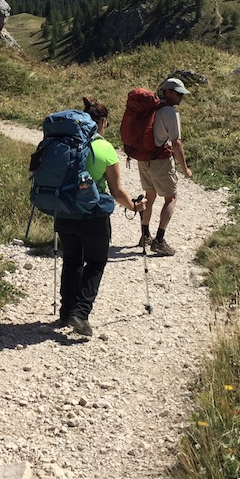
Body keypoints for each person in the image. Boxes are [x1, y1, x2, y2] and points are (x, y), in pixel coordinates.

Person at [56, 96, 146, 337]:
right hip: (92, 217)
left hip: (63, 213)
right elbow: (117, 193)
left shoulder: (64, 144)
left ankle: (66, 311)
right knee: (96, 262)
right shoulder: (104, 148)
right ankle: (81, 314)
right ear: (103, 122)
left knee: (72, 260)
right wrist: (135, 207)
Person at [137, 77, 192, 257]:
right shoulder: (170, 112)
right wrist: (184, 168)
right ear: (167, 92)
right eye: (177, 94)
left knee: (149, 196)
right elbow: (176, 143)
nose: (180, 97)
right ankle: (159, 241)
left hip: (143, 158)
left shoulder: (150, 107)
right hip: (160, 160)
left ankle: (145, 235)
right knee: (171, 198)